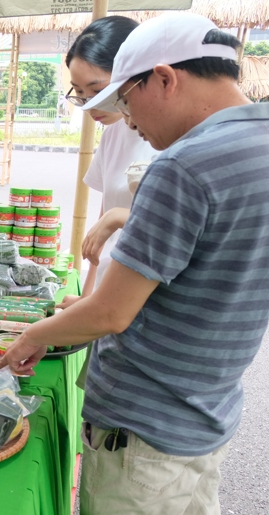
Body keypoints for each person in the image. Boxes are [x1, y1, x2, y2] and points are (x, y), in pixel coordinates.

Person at [0, 13, 269, 515]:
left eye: (126, 99)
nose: (127, 120)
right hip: (209, 415)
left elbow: (111, 312)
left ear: (166, 78)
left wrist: (32, 337)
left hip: (143, 423)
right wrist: (238, 273)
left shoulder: (182, 165)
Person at [60, 16, 156, 308]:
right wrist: (88, 297)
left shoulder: (168, 138)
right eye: (79, 92)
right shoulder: (113, 133)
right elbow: (101, 232)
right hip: (108, 295)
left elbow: (177, 230)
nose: (89, 104)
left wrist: (118, 218)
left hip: (140, 300)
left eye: (97, 89)